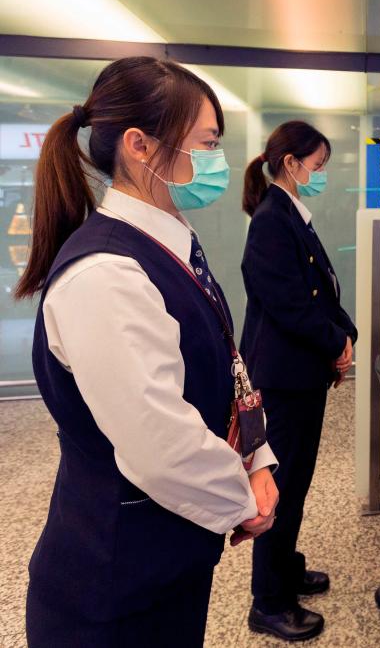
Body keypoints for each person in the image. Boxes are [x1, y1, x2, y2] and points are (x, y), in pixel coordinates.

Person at [18, 56, 278, 647]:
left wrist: (257, 457)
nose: (217, 161)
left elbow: (223, 362)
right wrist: (245, 499)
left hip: (165, 561)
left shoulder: (166, 241)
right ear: (139, 144)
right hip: (111, 590)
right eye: (206, 144)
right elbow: (162, 443)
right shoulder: (108, 274)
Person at [241, 121, 358, 641]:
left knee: (297, 483)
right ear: (291, 163)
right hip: (284, 380)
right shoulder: (271, 220)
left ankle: (285, 571)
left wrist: (344, 335)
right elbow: (290, 304)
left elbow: (321, 291)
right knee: (281, 488)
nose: (321, 175)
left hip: (300, 374)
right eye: (318, 166)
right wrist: (336, 344)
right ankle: (268, 601)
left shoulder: (290, 215)